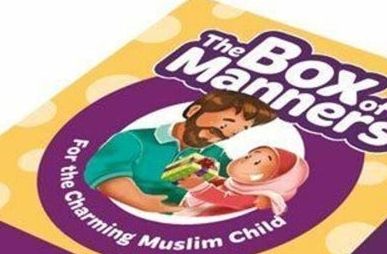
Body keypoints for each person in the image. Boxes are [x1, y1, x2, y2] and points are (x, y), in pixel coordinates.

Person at [82, 91, 277, 214]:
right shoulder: (134, 140)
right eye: (216, 129)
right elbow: (103, 172)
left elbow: (237, 177)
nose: (215, 138)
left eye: (232, 134)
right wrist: (142, 202)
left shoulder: (215, 153)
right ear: (194, 111)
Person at [176, 145, 308, 219]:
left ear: (275, 180)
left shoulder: (258, 198)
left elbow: (228, 199)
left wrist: (199, 187)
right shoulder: (236, 185)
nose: (247, 159)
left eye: (257, 162)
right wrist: (209, 176)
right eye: (250, 155)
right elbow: (225, 185)